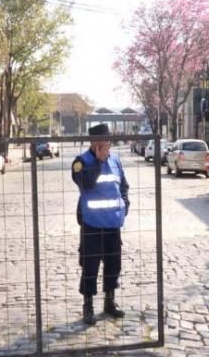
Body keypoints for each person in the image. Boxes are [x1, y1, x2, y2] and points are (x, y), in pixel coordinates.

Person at [72, 123, 130, 325]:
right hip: (92, 225)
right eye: (103, 141)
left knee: (113, 265)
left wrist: (125, 206)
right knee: (90, 267)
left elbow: (123, 186)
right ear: (94, 142)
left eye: (108, 141)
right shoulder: (81, 162)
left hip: (113, 224)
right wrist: (97, 162)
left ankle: (109, 302)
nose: (107, 145)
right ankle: (88, 307)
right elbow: (85, 183)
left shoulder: (116, 160)